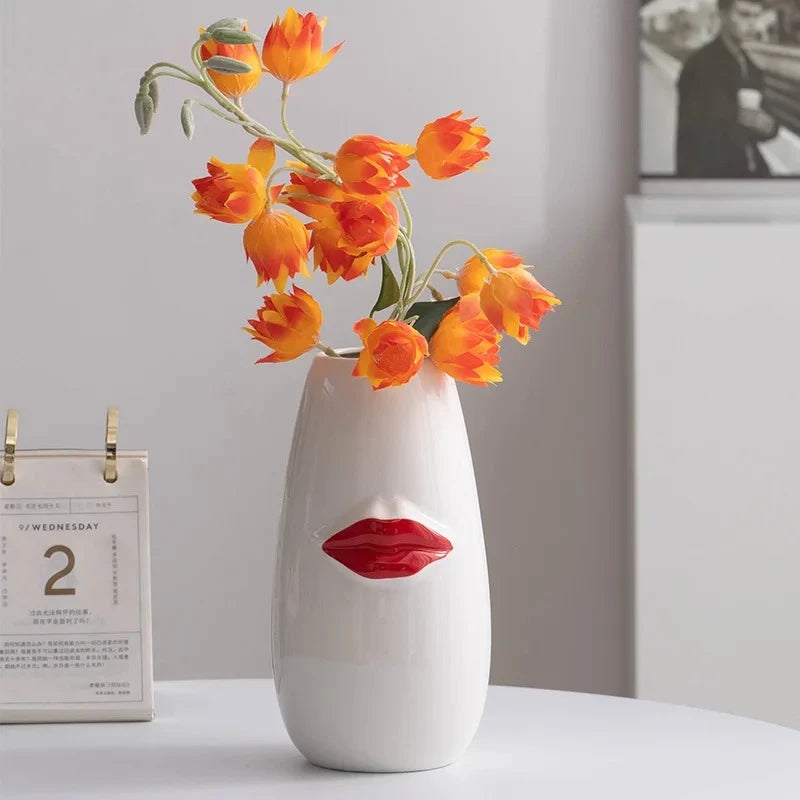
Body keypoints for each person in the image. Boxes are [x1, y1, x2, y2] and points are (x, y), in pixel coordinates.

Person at [676, 0, 779, 177]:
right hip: (713, 177)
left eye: (756, 15)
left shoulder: (751, 67)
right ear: (722, 15)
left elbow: (770, 120)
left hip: (749, 171)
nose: (752, 23)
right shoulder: (699, 65)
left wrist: (768, 126)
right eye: (744, 14)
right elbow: (696, 136)